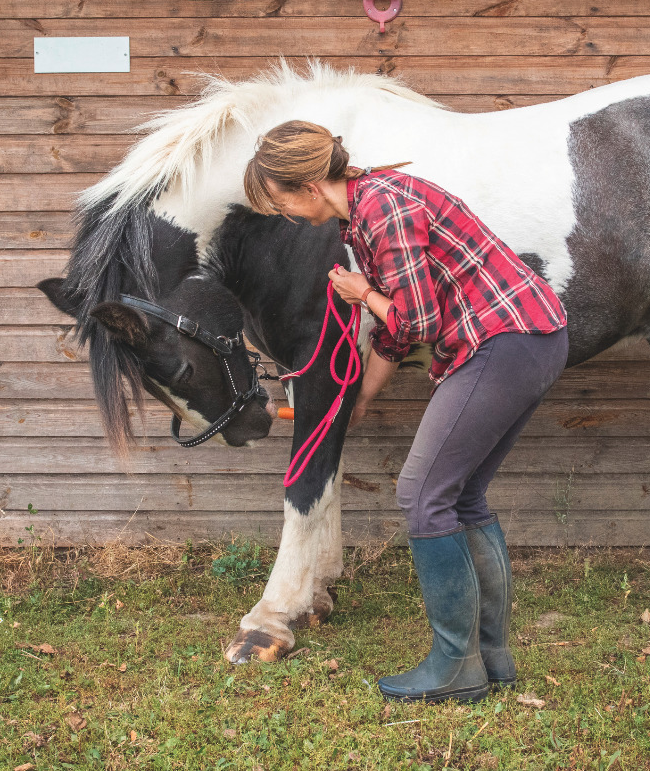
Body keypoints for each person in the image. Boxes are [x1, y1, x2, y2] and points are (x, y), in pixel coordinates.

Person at [243, 120, 568, 703]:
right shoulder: (365, 213)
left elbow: (417, 322)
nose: (284, 213)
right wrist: (363, 395)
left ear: (310, 185)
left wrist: (361, 295)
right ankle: (490, 657)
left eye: (282, 198)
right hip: (529, 337)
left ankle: (454, 664)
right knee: (462, 496)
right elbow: (400, 330)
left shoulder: (383, 209)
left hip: (504, 342)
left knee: (422, 494)